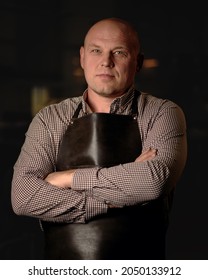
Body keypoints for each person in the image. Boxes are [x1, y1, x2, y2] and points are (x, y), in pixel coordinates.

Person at [11, 17, 187, 260]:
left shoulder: (162, 112)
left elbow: (153, 182)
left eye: (119, 52)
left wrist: (65, 179)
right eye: (96, 51)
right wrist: (119, 194)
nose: (106, 61)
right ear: (82, 57)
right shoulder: (50, 118)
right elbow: (23, 196)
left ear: (137, 62)